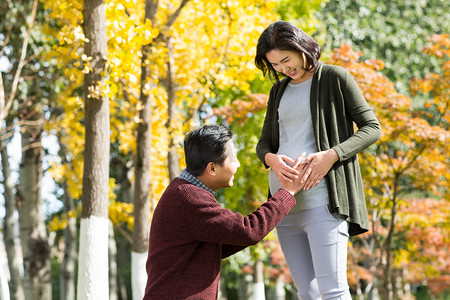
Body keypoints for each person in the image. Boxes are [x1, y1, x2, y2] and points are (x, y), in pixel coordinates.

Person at [254, 20, 381, 300]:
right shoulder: (278, 91)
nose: (283, 69)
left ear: (301, 48)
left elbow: (372, 128)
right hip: (283, 203)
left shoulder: (336, 77)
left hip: (323, 199)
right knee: (307, 293)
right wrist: (272, 160)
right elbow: (263, 144)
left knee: (333, 292)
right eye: (275, 65)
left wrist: (331, 155)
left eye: (286, 59)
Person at [143, 125, 308, 299]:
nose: (237, 164)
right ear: (212, 168)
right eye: (233, 159)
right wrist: (287, 193)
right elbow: (248, 231)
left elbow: (228, 239)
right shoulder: (190, 198)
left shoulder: (185, 192)